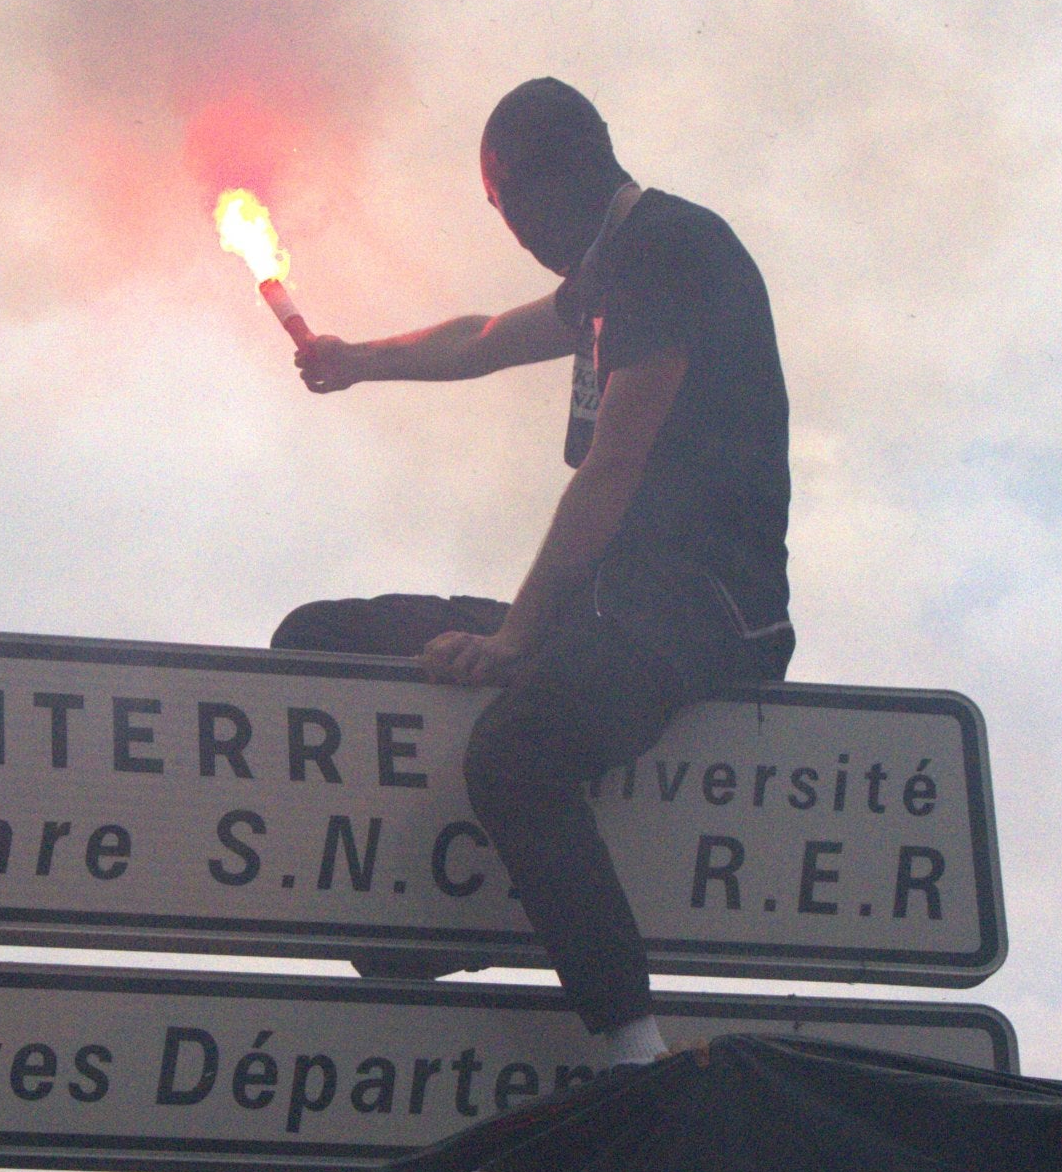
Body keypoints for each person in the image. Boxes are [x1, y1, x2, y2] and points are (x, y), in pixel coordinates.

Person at [273, 77, 794, 1068]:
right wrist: (353, 360)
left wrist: (514, 635)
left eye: (504, 207)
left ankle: (635, 1053)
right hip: (607, 610)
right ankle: (418, 952)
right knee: (320, 639)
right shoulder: (607, 274)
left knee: (513, 756)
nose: (510, 234)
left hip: (700, 616)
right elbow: (476, 341)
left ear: (551, 181)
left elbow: (615, 462)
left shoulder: (667, 249)